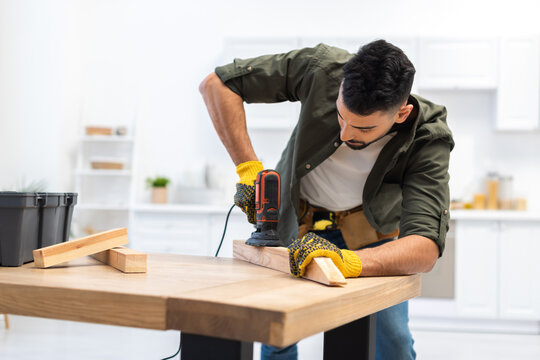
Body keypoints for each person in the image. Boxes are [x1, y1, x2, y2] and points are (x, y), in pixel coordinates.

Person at [199, 39, 454, 360]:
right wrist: (248, 169)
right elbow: (217, 85)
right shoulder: (321, 69)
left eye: (363, 127)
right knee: (277, 331)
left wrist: (348, 262)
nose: (346, 134)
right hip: (298, 225)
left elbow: (425, 248)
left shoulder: (428, 135)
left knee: (393, 341)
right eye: (341, 116)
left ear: (401, 114)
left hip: (370, 239)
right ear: (341, 85)